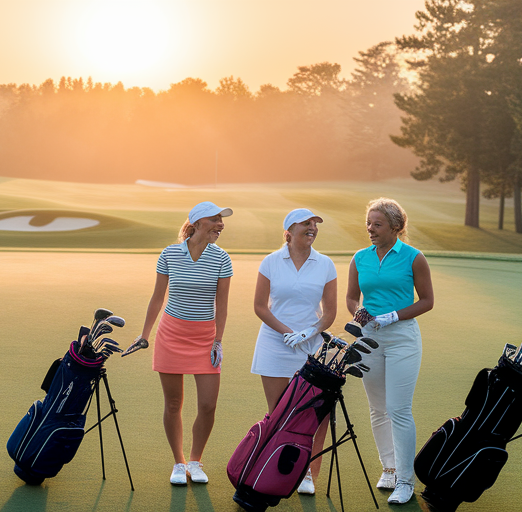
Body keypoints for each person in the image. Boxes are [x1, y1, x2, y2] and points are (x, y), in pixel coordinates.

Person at [135, 201, 234, 486]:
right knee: (174, 403)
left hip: (205, 338)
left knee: (207, 405)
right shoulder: (169, 254)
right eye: (216, 219)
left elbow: (222, 306)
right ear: (198, 222)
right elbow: (157, 297)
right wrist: (145, 334)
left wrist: (218, 340)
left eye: (221, 220)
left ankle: (195, 460)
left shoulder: (221, 258)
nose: (221, 224)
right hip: (171, 334)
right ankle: (179, 463)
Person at [344, 197, 434, 505]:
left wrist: (393, 316)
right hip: (368, 338)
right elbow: (351, 298)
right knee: (378, 408)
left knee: (398, 409)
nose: (370, 229)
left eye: (377, 224)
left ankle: (407, 481)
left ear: (396, 227)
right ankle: (390, 468)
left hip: (402, 338)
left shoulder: (413, 257)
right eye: (368, 223)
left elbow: (426, 301)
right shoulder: (360, 258)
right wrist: (359, 312)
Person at [251, 208, 337, 495]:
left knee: (317, 416)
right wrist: (287, 332)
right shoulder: (272, 261)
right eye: (306, 224)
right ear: (289, 230)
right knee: (279, 414)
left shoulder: (325, 264)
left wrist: (308, 332)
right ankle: (274, 472)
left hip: (310, 346)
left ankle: (308, 474)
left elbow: (330, 313)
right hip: (275, 344)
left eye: (315, 224)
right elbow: (260, 306)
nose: (312, 227)